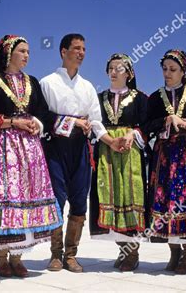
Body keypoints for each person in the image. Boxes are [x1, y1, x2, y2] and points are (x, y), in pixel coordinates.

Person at [0, 35, 63, 278]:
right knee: (4, 195)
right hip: (3, 149)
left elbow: (44, 113)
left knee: (27, 196)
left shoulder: (32, 82)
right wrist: (12, 122)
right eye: (22, 51)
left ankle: (18, 256)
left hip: (30, 149)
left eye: (28, 52)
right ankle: (1, 257)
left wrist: (36, 123)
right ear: (8, 53)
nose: (26, 55)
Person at [40, 34, 125, 273]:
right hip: (55, 146)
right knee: (56, 199)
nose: (81, 53)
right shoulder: (47, 82)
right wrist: (72, 122)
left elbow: (96, 122)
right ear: (63, 51)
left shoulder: (87, 86)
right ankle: (55, 255)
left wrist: (111, 141)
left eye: (84, 49)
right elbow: (43, 117)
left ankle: (71, 255)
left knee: (79, 199)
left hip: (80, 148)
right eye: (76, 48)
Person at [144, 49, 186, 274]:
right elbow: (147, 125)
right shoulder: (155, 97)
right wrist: (166, 119)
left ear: (184, 72)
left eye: (173, 70)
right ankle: (174, 252)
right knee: (166, 200)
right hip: (164, 156)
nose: (167, 74)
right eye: (164, 69)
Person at [89, 53, 148, 272]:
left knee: (130, 195)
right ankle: (122, 248)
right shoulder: (99, 97)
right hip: (107, 149)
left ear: (129, 74)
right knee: (111, 197)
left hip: (130, 152)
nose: (114, 72)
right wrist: (110, 139)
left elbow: (147, 124)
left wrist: (132, 133)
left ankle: (132, 251)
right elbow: (95, 123)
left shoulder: (141, 98)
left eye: (120, 68)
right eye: (111, 68)